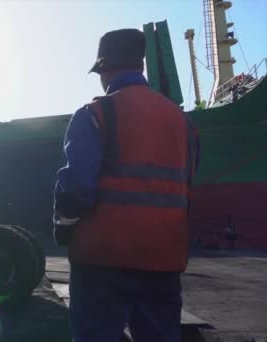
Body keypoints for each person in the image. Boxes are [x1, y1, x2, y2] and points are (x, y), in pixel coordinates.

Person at [52, 28, 200, 342]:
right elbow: (186, 185)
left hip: (103, 261)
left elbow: (76, 190)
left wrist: (63, 226)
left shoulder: (95, 114)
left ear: (105, 70)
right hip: (164, 258)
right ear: (140, 66)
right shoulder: (182, 121)